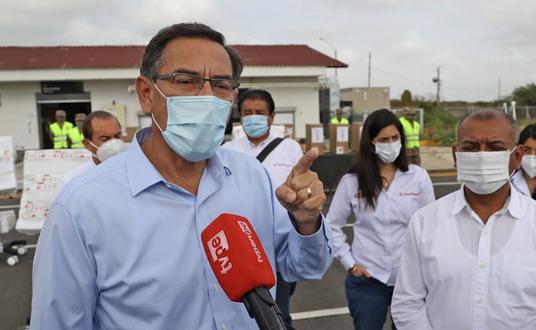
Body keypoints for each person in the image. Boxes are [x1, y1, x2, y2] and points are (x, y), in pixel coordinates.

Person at [31, 22, 333, 330]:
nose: (207, 97)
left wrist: (306, 222)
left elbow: (305, 266)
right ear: (147, 93)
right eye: (186, 81)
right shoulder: (82, 206)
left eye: (221, 85)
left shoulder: (252, 176)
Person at [392, 110, 536, 329]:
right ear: (456, 155)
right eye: (471, 148)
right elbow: (407, 305)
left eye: (495, 147)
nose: (482, 155)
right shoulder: (424, 223)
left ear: (517, 157)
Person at [326, 109, 435, 330]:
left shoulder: (418, 177)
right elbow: (332, 226)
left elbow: (432, 228)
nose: (391, 144)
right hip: (367, 279)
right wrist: (350, 264)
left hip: (410, 279)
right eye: (383, 140)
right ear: (371, 143)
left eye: (395, 138)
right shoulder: (352, 181)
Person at [222, 89, 303, 330]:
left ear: (272, 117)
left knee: (280, 314)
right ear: (239, 116)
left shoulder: (290, 148)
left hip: (280, 246)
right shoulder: (227, 151)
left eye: (259, 112)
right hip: (241, 247)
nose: (253, 117)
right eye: (247, 113)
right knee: (246, 314)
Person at [58, 111, 124, 190]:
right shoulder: (72, 182)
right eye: (105, 139)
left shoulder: (135, 173)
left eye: (117, 136)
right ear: (87, 144)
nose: (114, 143)